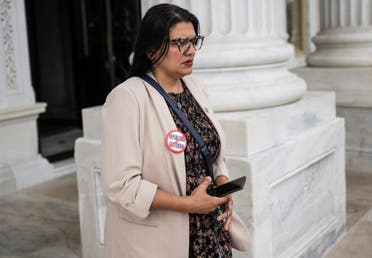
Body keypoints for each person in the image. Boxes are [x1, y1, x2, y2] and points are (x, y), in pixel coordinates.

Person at [102, 4, 234, 258]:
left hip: (210, 233)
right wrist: (190, 204)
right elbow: (121, 185)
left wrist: (223, 185)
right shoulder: (127, 98)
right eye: (180, 43)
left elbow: (213, 153)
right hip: (159, 241)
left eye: (194, 40)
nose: (191, 50)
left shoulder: (195, 87)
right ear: (151, 50)